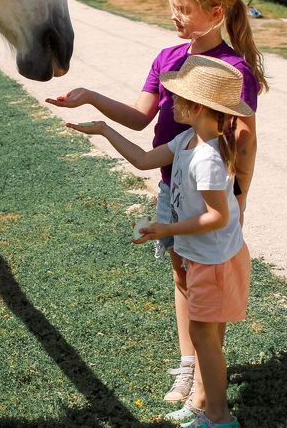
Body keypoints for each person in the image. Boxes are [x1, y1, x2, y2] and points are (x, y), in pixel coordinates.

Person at [46, 0, 266, 407]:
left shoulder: (231, 68)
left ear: (216, 10)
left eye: (184, 9)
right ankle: (191, 362)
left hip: (210, 192)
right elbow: (140, 116)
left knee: (207, 279)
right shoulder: (168, 59)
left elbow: (245, 140)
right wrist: (91, 96)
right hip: (172, 186)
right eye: (174, 9)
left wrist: (239, 195)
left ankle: (206, 385)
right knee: (183, 275)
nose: (175, 17)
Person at [66, 54, 253, 428]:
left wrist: (166, 229)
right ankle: (206, 406)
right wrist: (104, 129)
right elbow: (141, 159)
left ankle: (219, 417)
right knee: (205, 339)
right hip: (202, 257)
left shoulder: (207, 160)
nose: (170, 102)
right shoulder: (185, 140)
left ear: (197, 106)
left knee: (205, 339)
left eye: (176, 97)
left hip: (214, 261)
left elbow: (218, 216)